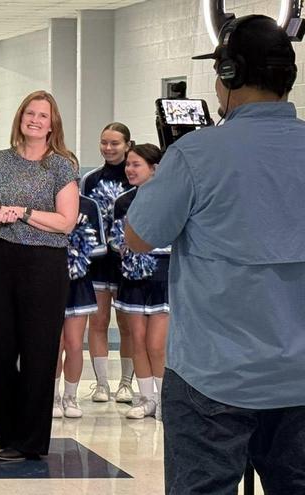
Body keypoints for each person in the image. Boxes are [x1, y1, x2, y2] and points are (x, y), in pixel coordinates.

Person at [125, 15, 305, 493]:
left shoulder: (197, 154)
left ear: (228, 75)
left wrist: (168, 169)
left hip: (213, 375)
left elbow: (139, 235)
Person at [0, 90, 79, 461]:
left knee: (38, 352)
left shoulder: (62, 166)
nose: (34, 119)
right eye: (29, 113)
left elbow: (66, 222)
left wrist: (22, 212)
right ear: (20, 117)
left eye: (42, 115)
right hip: (1, 257)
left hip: (43, 263)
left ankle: (31, 441)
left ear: (53, 125)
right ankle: (10, 431)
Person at [110, 144, 168, 420]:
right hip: (132, 280)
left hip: (162, 278)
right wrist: (126, 246)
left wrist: (146, 246)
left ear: (154, 169)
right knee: (137, 340)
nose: (130, 169)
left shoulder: (169, 199)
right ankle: (146, 399)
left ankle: (164, 399)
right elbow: (114, 239)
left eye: (137, 165)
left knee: (157, 344)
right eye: (128, 164)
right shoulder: (122, 201)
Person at [80, 122, 136, 404]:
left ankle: (126, 384)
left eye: (115, 143)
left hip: (130, 262)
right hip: (99, 261)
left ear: (128, 145)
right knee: (98, 322)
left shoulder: (137, 177)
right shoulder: (90, 180)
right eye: (104, 142)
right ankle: (101, 384)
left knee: (128, 326)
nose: (108, 148)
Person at [53, 176, 106, 419]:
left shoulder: (89, 205)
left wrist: (76, 253)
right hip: (49, 281)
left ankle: (71, 397)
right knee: (55, 343)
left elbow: (102, 246)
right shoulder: (43, 200)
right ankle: (51, 396)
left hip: (79, 282)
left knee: (74, 343)